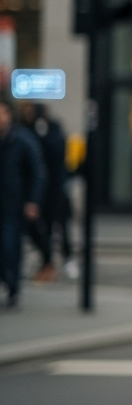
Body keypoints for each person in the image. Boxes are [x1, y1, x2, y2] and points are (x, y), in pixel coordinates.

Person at [0, 98, 45, 307]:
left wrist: (32, 201)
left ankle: (13, 288)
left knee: (10, 246)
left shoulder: (22, 141)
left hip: (13, 205)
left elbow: (36, 173)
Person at [20, 104, 71, 282]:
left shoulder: (51, 131)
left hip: (53, 190)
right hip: (39, 191)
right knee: (39, 229)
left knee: (56, 226)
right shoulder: (25, 132)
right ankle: (47, 262)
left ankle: (59, 261)